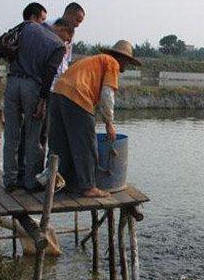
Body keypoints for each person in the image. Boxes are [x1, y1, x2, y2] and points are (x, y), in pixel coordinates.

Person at [48, 40, 141, 197]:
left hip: (58, 93)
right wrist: (109, 123)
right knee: (86, 145)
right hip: (77, 96)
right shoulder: (112, 63)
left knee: (61, 144)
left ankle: (56, 183)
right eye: (127, 62)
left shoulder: (94, 60)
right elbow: (107, 94)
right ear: (122, 58)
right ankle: (88, 187)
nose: (126, 66)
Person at [1, 19, 74, 192]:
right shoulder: (58, 45)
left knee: (11, 135)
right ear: (63, 29)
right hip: (32, 87)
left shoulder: (29, 26)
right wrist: (43, 100)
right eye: (67, 39)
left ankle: (10, 180)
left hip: (12, 82)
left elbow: (1, 44)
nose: (66, 43)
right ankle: (30, 181)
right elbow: (50, 71)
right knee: (33, 136)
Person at [0, 2, 47, 90]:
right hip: (31, 84)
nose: (43, 23)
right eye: (42, 19)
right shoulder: (41, 36)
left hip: (12, 82)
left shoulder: (14, 33)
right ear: (33, 17)